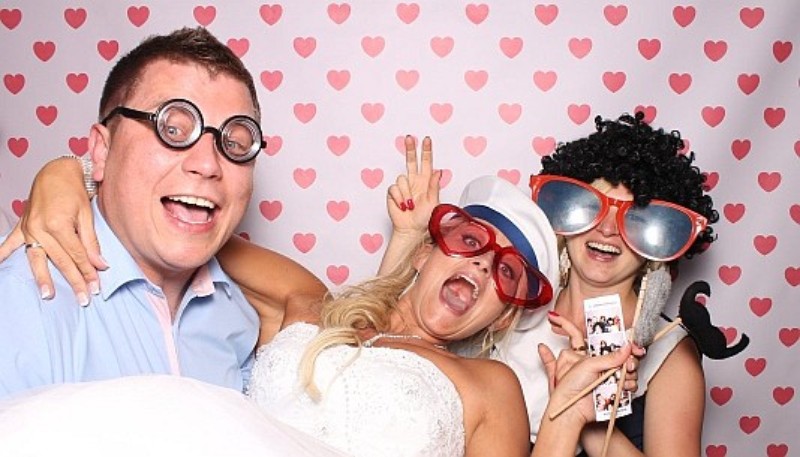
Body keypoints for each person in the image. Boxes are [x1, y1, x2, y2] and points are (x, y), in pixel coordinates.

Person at [0, 27, 326, 399]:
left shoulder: (238, 314)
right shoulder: (23, 298)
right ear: (102, 151)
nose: (208, 164)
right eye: (172, 129)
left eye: (235, 144)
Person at [513, 112, 718, 455]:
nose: (607, 230)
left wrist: (588, 416)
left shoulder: (671, 356)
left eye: (634, 218)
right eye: (591, 207)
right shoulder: (510, 309)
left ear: (660, 241)